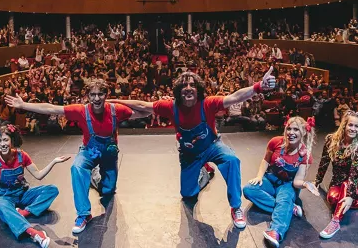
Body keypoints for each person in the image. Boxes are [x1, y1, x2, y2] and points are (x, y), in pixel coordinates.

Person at [109, 67, 277, 229]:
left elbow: (234, 98)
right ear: (178, 91)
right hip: (189, 155)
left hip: (212, 146)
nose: (188, 88)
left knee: (232, 159)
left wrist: (259, 86)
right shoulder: (170, 106)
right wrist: (112, 102)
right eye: (184, 85)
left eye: (192, 85)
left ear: (198, 90)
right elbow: (143, 105)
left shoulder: (208, 103)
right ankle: (205, 172)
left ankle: (235, 207)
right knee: (188, 195)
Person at [4, 79, 148, 234]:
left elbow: (144, 110)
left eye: (100, 94)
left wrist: (161, 105)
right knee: (77, 167)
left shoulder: (116, 110)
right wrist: (23, 105)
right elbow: (51, 109)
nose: (97, 98)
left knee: (108, 191)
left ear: (106, 95)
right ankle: (84, 214)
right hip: (88, 151)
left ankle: (95, 179)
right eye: (93, 94)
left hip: (109, 153)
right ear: (87, 96)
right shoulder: (81, 110)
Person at [243, 116, 317, 247]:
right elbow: (265, 160)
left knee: (284, 200)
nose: (291, 133)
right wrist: (259, 176)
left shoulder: (306, 155)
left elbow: (297, 181)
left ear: (303, 132)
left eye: (296, 130)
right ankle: (289, 208)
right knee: (249, 189)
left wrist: (305, 184)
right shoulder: (275, 142)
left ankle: (275, 231)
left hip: (287, 185)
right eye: (289, 128)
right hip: (270, 178)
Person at [313, 111, 358, 239]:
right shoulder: (331, 140)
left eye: (356, 126)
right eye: (350, 125)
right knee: (333, 199)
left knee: (346, 189)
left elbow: (354, 173)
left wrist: (350, 195)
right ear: (344, 125)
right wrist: (317, 181)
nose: (353, 129)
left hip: (357, 182)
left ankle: (335, 222)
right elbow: (324, 161)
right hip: (338, 180)